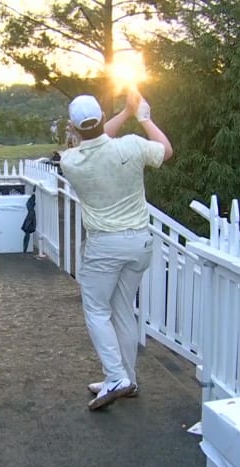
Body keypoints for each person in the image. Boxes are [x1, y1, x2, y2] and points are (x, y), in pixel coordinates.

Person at [59, 89, 173, 410]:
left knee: (97, 310)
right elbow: (166, 151)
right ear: (104, 118)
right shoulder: (132, 146)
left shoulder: (71, 161)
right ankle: (127, 379)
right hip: (139, 243)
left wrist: (122, 115)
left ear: (73, 127)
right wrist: (141, 117)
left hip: (104, 246)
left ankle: (116, 376)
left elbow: (95, 140)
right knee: (123, 309)